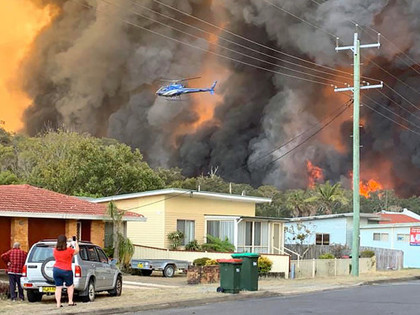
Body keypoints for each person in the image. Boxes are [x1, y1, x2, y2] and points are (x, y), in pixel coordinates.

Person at [53, 235, 79, 308]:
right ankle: (70, 301)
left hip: (56, 269)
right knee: (70, 286)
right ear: (65, 241)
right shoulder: (69, 250)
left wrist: (69, 245)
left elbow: (61, 249)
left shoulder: (55, 250)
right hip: (66, 270)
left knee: (58, 287)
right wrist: (75, 243)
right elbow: (77, 251)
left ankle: (58, 303)